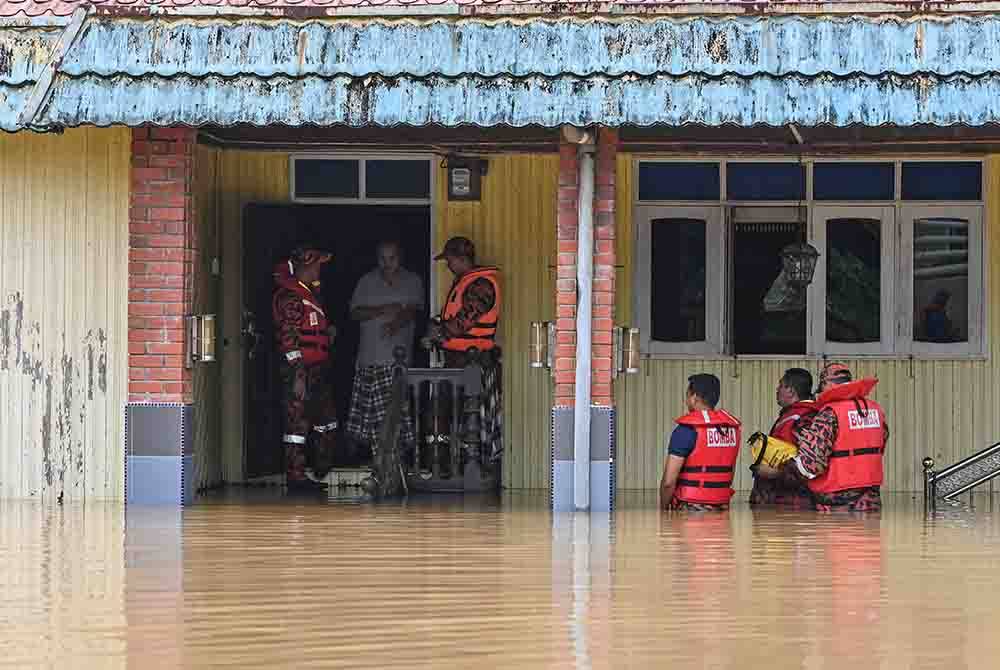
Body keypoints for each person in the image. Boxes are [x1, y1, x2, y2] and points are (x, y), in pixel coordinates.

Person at [422, 236, 503, 463]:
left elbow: (465, 321)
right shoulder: (467, 281)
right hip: (457, 361)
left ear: (460, 258)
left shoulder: (482, 284)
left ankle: (472, 467)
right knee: (446, 413)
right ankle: (444, 463)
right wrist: (437, 324)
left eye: (449, 260)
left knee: (471, 418)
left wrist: (436, 334)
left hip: (473, 363)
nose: (447, 265)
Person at [345, 240, 424, 459]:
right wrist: (381, 310)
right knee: (367, 420)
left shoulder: (412, 280)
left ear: (401, 257)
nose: (387, 263)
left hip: (397, 362)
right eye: (382, 258)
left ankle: (396, 462)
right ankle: (372, 461)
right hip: (369, 359)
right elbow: (354, 313)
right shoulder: (366, 281)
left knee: (396, 416)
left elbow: (413, 311)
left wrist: (396, 323)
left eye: (392, 258)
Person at [272, 245, 337, 493]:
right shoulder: (289, 296)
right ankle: (296, 477)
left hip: (318, 369)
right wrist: (298, 374)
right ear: (306, 266)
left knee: (327, 422)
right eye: (318, 264)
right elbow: (289, 339)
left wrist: (327, 334)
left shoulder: (310, 294)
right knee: (296, 426)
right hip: (300, 371)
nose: (321, 268)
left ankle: (321, 466)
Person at [785, 362, 889, 512]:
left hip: (837, 503)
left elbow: (812, 465)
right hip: (871, 500)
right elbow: (881, 444)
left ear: (826, 385)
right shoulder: (876, 410)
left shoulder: (830, 414)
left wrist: (788, 465)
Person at [659, 374, 742, 511]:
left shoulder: (686, 429)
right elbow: (730, 474)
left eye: (687, 395)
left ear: (694, 397)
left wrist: (663, 512)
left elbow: (668, 482)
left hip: (689, 508)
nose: (686, 400)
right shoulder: (731, 429)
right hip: (721, 508)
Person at [749, 368, 818, 507]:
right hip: (781, 504)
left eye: (780, 385)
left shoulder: (806, 417)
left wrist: (774, 473)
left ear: (791, 391)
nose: (777, 389)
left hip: (792, 505)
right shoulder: (792, 414)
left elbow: (810, 463)